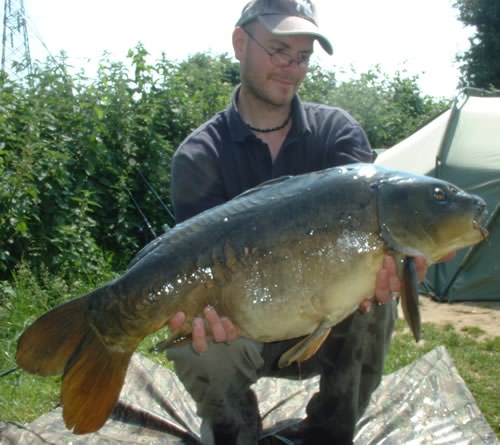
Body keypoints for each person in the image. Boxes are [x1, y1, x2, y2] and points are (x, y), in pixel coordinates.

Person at [166, 1, 430, 444]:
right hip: (244, 324)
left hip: (326, 316)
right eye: (277, 50)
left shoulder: (338, 133)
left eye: (302, 57)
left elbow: (373, 222)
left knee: (376, 287)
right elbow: (197, 270)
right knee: (197, 345)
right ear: (238, 43)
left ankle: (330, 431)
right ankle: (236, 429)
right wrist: (203, 313)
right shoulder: (199, 155)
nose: (291, 67)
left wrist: (409, 253)